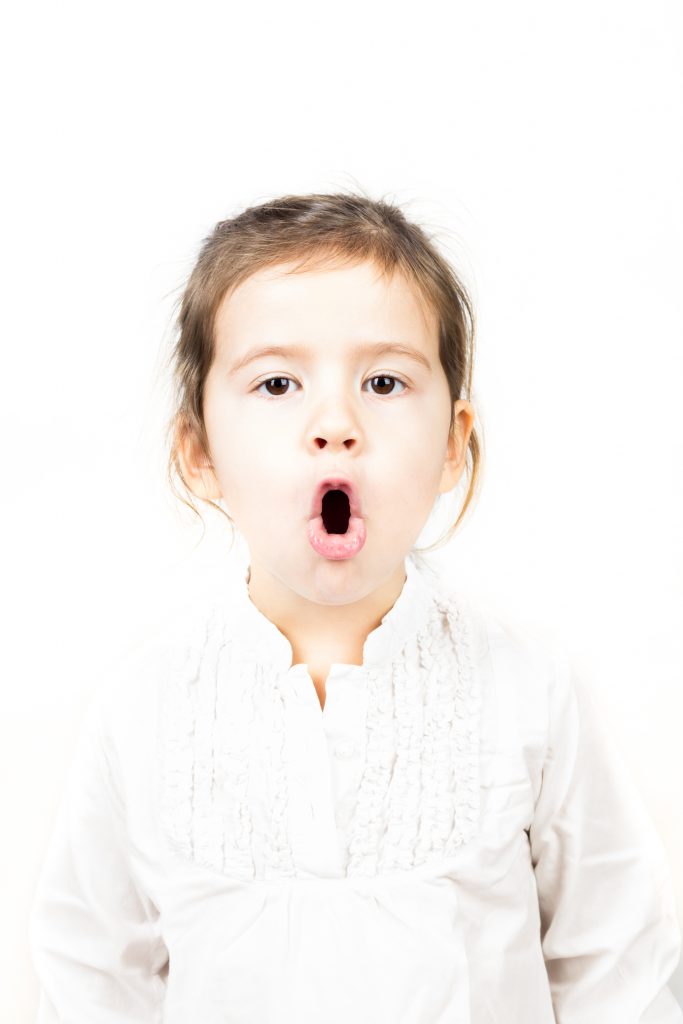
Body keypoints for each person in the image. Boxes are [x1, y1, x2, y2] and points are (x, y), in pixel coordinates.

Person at [29, 192, 682, 1022]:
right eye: (276, 383)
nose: (334, 423)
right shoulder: (145, 707)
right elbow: (91, 981)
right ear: (197, 451)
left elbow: (616, 968)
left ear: (452, 441)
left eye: (383, 381)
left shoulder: (528, 690)